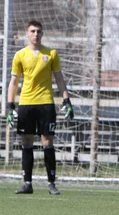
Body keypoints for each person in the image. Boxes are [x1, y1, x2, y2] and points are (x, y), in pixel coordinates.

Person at [6, 20, 73, 195]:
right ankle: (27, 183)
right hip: (26, 104)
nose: (36, 34)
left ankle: (51, 183)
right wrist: (9, 105)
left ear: (42, 34)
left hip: (46, 103)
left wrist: (66, 100)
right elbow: (14, 82)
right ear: (27, 34)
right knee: (26, 141)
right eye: (33, 31)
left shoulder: (51, 54)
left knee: (47, 141)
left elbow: (59, 78)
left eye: (39, 31)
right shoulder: (20, 55)